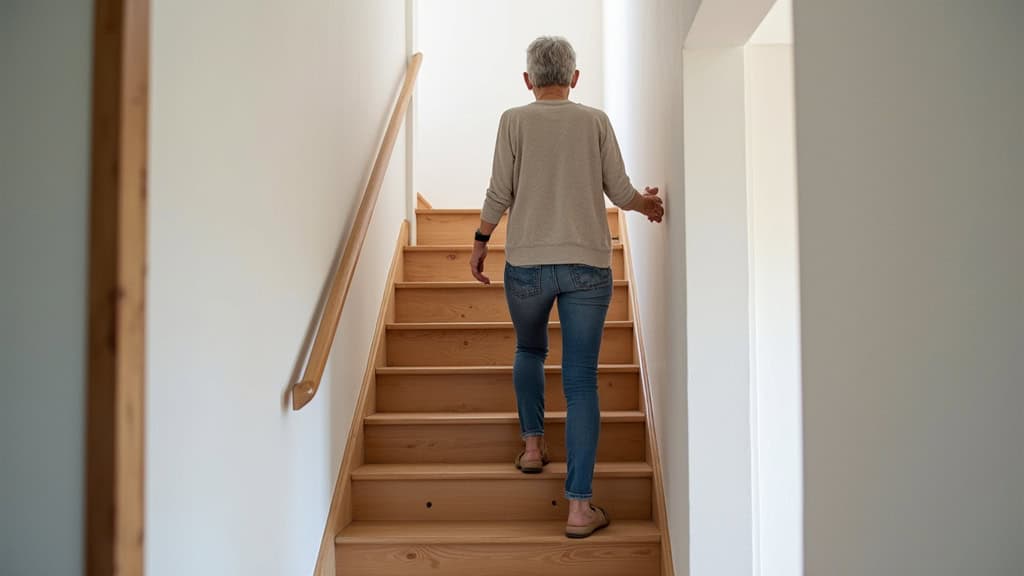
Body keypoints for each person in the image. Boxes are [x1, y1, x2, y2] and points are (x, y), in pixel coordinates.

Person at [469, 36, 664, 538]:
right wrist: (646, 205)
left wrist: (480, 241)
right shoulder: (594, 120)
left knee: (530, 349)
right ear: (575, 78)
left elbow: (499, 191)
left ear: (528, 80)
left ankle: (533, 448)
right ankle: (579, 509)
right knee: (580, 383)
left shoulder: (513, 120)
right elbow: (619, 190)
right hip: (586, 268)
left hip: (527, 266)